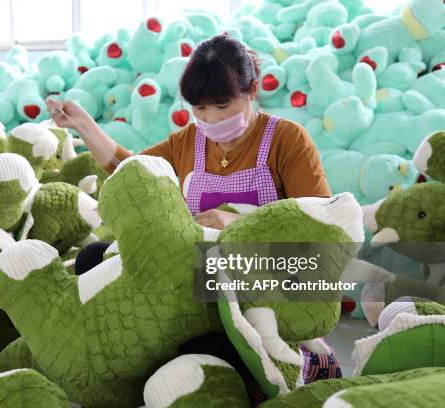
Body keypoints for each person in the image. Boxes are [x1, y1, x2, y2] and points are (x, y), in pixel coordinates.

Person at [46, 34, 331, 273]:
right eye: (200, 108)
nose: (212, 119)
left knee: (204, 343)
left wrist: (242, 225)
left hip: (260, 273)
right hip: (198, 265)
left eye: (222, 107)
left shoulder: (286, 139)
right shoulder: (189, 140)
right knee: (94, 257)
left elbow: (322, 223)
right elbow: (132, 169)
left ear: (252, 90)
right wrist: (83, 125)